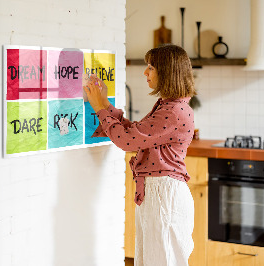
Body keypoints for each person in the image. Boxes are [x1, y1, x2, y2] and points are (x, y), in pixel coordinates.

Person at [84, 44, 196, 266]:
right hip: (159, 193)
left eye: (151, 67)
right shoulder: (169, 106)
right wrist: (105, 103)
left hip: (164, 195)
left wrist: (99, 108)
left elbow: (127, 141)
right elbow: (135, 133)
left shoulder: (173, 111)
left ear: (167, 72)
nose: (145, 72)